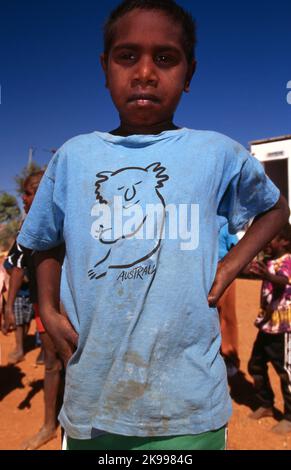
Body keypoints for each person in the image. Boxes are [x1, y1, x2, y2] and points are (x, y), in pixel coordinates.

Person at [17, 0, 289, 450]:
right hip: (94, 402)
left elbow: (274, 209)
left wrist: (230, 266)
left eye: (165, 58)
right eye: (127, 56)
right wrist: (46, 305)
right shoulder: (74, 157)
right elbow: (44, 240)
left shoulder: (215, 153)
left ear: (190, 73)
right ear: (105, 68)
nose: (145, 72)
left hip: (190, 405)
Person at [3, 171, 63, 450]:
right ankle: (49, 426)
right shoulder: (28, 229)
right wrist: (9, 308)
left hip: (72, 308)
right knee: (53, 364)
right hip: (43, 305)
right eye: (25, 193)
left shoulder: (69, 221)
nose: (25, 198)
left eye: (31, 192)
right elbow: (16, 265)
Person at [248, 224, 291, 434]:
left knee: (286, 373)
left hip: (283, 328)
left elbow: (283, 282)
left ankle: (290, 416)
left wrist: (268, 276)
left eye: (271, 238)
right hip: (267, 326)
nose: (267, 242)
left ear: (284, 241)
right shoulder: (270, 262)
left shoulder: (288, 261)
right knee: (255, 365)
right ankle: (266, 403)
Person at [217, 222, 240, 377]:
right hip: (204, 270)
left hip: (225, 272)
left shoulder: (226, 225)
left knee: (227, 316)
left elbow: (236, 248)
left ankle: (230, 357)